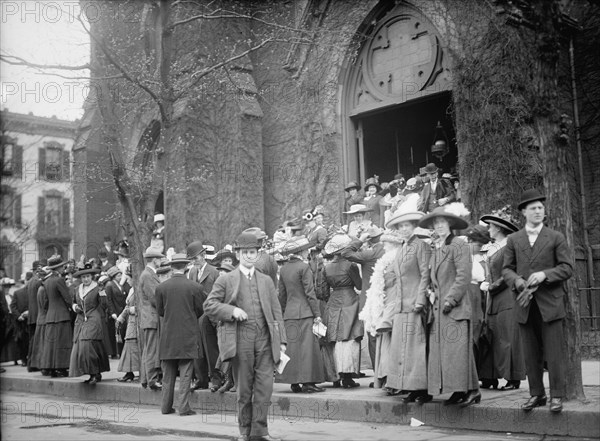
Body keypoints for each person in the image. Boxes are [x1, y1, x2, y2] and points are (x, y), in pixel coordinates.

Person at [204, 232, 287, 441]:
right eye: (246, 252)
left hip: (265, 339)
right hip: (241, 338)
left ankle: (261, 431)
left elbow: (277, 312)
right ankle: (244, 432)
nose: (250, 256)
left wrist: (282, 341)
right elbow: (209, 305)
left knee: (265, 388)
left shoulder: (267, 281)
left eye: (254, 252)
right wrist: (231, 311)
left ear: (258, 255)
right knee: (244, 389)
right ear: (238, 254)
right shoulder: (226, 279)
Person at [502, 189, 573, 413]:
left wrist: (545, 275)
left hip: (550, 303)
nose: (537, 211)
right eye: (532, 208)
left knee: (554, 353)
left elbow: (567, 268)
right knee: (530, 354)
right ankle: (536, 394)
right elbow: (506, 269)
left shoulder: (555, 237)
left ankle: (557, 396)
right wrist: (517, 281)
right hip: (525, 304)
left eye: (540, 208)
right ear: (523, 212)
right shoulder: (513, 239)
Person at [418, 205, 481, 407]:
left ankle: (471, 390)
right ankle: (458, 390)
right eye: (436, 224)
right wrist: (431, 294)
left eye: (443, 222)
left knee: (459, 351)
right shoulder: (439, 248)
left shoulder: (459, 245)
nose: (440, 226)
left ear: (450, 224)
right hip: (440, 309)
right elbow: (435, 279)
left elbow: (463, 276)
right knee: (448, 353)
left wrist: (450, 299)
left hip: (456, 306)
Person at [384, 201, 430, 403]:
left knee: (416, 346)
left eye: (407, 225)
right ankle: (408, 387)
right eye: (401, 226)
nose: (404, 229)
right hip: (401, 305)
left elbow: (425, 275)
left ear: (414, 226)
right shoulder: (402, 249)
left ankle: (422, 389)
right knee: (402, 347)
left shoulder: (421, 246)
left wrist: (420, 300)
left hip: (415, 302)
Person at [479, 206, 525, 391]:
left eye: (490, 226)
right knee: (491, 336)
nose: (488, 228)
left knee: (507, 338)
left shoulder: (508, 246)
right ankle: (490, 376)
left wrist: (491, 286)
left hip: (506, 297)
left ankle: (513, 379)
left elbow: (509, 272)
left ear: (498, 228)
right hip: (492, 299)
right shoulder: (491, 248)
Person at [156, 253, 204, 416]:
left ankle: (165, 407)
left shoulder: (161, 288)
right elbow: (200, 310)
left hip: (168, 335)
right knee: (186, 372)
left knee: (167, 374)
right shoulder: (195, 287)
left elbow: (161, 311)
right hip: (187, 334)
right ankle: (183, 407)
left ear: (171, 267)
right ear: (185, 267)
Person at [359, 229, 404, 392]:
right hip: (385, 305)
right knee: (386, 343)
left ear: (394, 245)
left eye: (387, 243)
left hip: (394, 305)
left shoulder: (398, 260)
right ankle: (388, 379)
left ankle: (395, 380)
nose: (384, 246)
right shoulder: (386, 260)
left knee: (393, 343)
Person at [277, 236, 325, 393]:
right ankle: (308, 383)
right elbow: (310, 293)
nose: (307, 252)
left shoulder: (283, 269)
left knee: (292, 349)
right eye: (306, 250)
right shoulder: (304, 267)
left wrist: (282, 313)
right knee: (307, 349)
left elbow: (282, 296)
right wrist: (317, 314)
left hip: (289, 313)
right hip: (304, 312)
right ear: (301, 251)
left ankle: (294, 382)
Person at [340, 225, 384, 381]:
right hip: (387, 298)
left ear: (369, 240)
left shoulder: (369, 254)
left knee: (373, 337)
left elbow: (345, 253)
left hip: (372, 301)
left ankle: (379, 376)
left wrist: (359, 240)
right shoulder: (387, 251)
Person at [322, 234, 363, 388]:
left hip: (333, 301)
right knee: (350, 337)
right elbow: (359, 285)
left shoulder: (326, 267)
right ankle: (347, 377)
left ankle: (335, 376)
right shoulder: (350, 265)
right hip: (349, 300)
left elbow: (323, 292)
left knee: (334, 338)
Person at [186, 240, 220, 391]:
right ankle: (201, 379)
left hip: (209, 316)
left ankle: (216, 378)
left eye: (196, 258)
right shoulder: (192, 272)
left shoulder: (214, 272)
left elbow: (219, 295)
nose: (194, 262)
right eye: (192, 259)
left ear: (204, 255)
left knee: (211, 348)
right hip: (195, 315)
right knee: (197, 349)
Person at [69, 264, 110, 384]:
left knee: (86, 344)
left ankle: (95, 373)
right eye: (83, 277)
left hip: (93, 319)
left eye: (87, 277)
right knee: (83, 347)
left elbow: (104, 306)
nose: (85, 279)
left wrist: (102, 293)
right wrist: (75, 307)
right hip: (81, 320)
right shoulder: (77, 289)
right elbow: (73, 302)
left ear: (92, 277)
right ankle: (94, 373)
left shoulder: (97, 288)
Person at [42, 256, 73, 377]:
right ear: (57, 268)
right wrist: (73, 306)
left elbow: (45, 302)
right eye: (62, 266)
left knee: (51, 344)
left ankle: (52, 368)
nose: (63, 268)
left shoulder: (47, 281)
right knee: (62, 343)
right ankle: (62, 367)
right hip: (61, 316)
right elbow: (67, 297)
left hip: (50, 317)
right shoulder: (59, 280)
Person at [138, 247, 164, 391]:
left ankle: (145, 379)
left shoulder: (148, 274)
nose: (160, 261)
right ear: (154, 260)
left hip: (149, 317)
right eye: (159, 259)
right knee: (152, 350)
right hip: (152, 317)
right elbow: (155, 298)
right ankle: (152, 380)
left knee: (149, 349)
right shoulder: (148, 275)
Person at [29, 268, 51, 374]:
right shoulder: (43, 290)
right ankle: (44, 367)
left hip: (41, 319)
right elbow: (45, 305)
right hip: (44, 320)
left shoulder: (41, 288)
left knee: (41, 345)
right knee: (43, 345)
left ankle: (43, 366)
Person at [26, 261, 43, 372]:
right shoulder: (38, 282)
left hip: (32, 315)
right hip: (38, 315)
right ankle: (35, 364)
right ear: (37, 270)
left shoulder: (30, 281)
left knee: (32, 340)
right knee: (37, 340)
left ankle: (31, 364)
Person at [11, 274, 31, 366]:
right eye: (28, 280)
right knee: (23, 342)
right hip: (22, 323)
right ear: (25, 281)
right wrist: (19, 316)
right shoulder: (17, 293)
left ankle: (30, 359)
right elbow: (13, 306)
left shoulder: (35, 292)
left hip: (32, 320)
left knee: (31, 341)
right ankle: (24, 359)